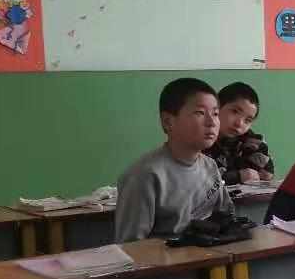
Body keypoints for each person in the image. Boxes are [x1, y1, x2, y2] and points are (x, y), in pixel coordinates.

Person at [115, 77, 232, 242]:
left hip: (209, 253)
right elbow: (131, 246)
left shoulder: (210, 166)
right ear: (168, 121)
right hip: (167, 257)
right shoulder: (145, 175)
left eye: (215, 113)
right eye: (200, 113)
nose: (212, 122)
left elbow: (225, 218)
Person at [206, 81, 275, 186]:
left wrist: (260, 148)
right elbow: (198, 179)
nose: (239, 124)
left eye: (248, 120)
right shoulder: (199, 139)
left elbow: (266, 176)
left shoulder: (248, 141)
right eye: (235, 112)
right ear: (216, 107)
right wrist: (238, 176)